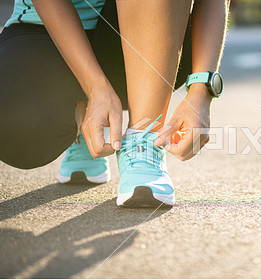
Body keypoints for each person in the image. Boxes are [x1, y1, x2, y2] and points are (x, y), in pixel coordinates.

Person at [0, 0, 229, 208]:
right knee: (12, 126)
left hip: (149, 32)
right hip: (44, 32)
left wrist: (202, 89)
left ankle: (144, 139)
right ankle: (82, 118)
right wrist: (94, 88)